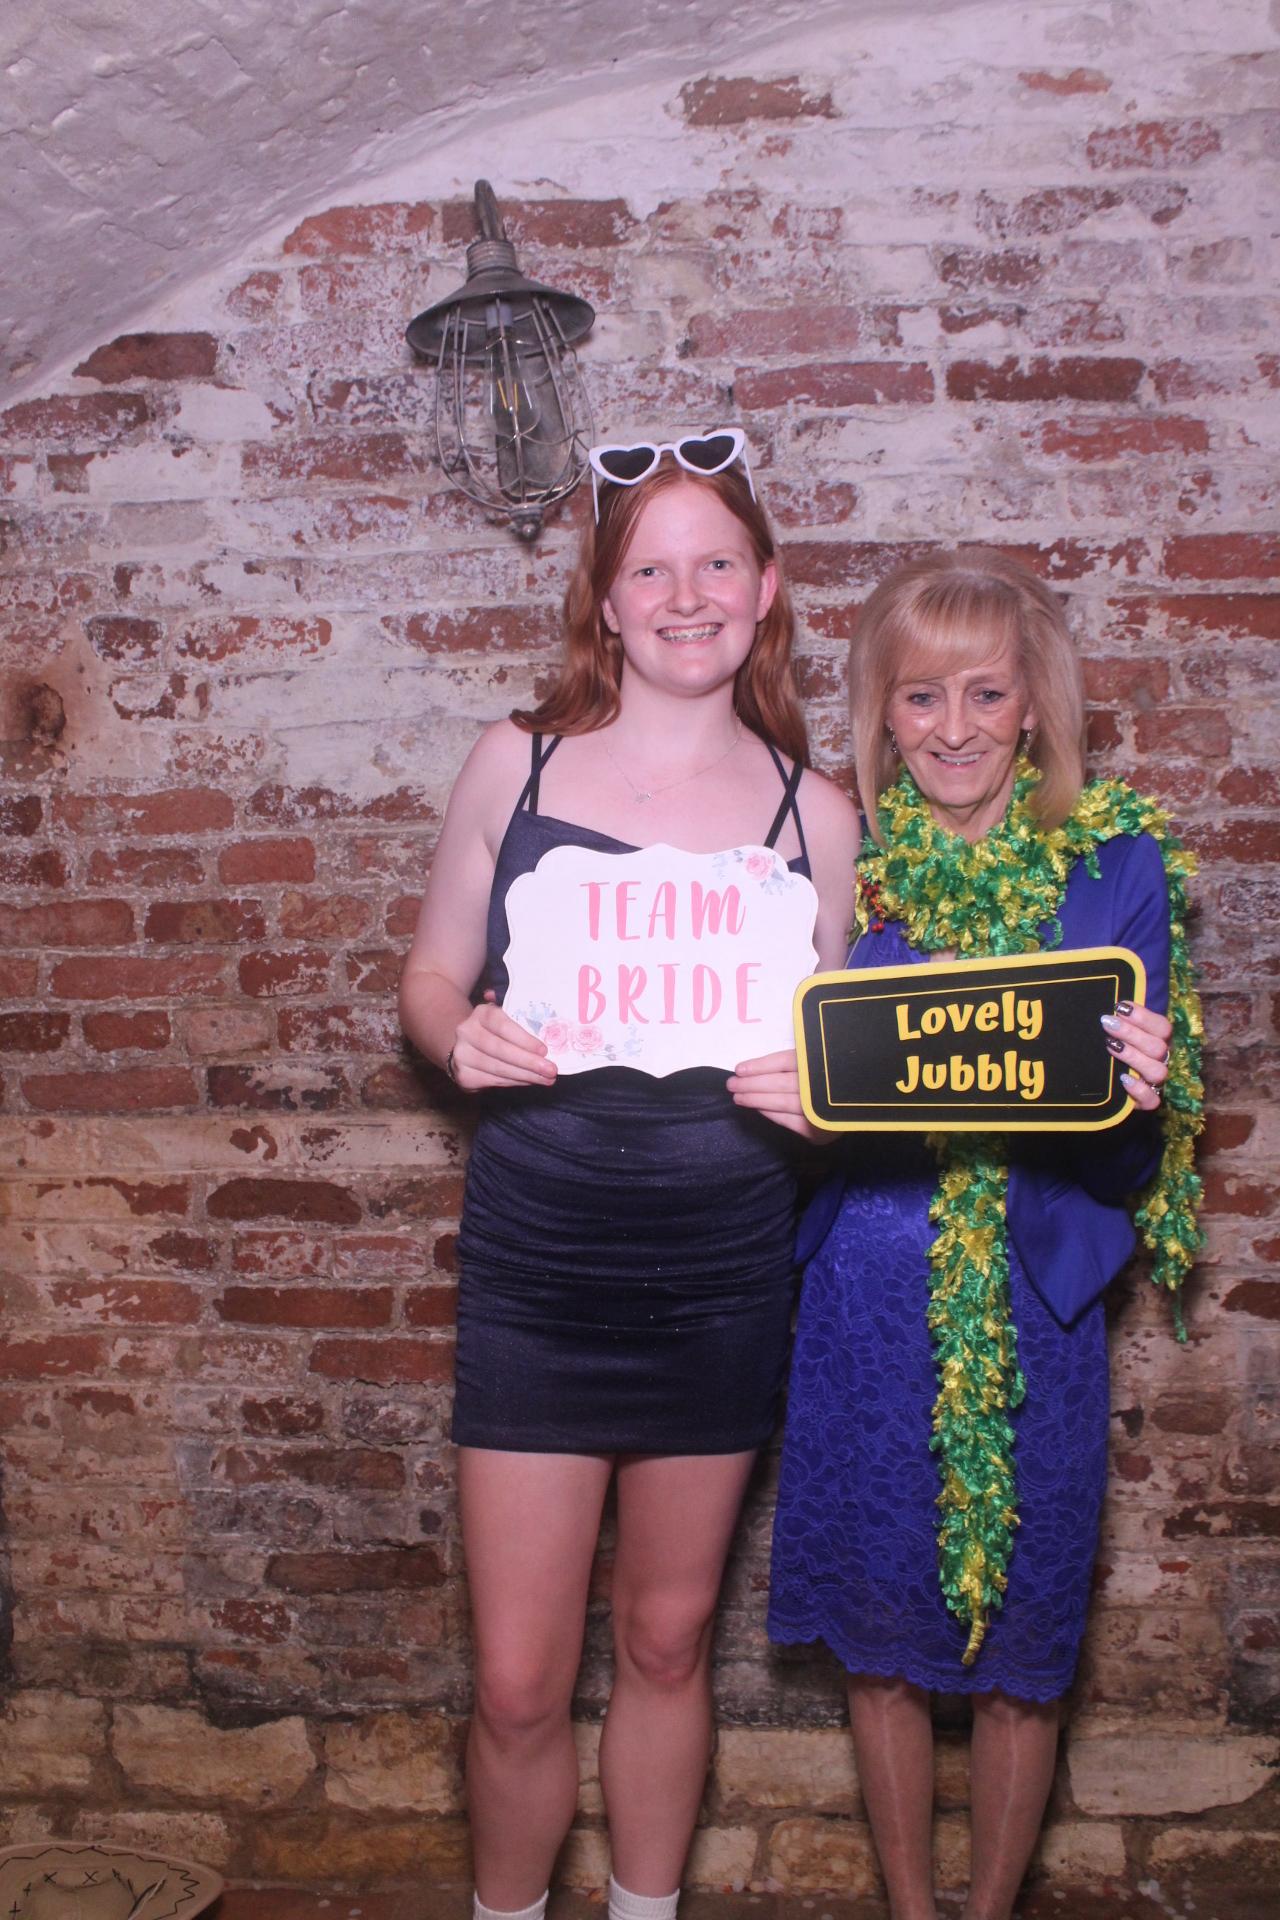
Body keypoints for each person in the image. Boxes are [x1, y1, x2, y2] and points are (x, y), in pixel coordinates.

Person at [398, 430, 860, 1920]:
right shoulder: (512, 761)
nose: (684, 593)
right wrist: (452, 1035)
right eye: (648, 565)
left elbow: (843, 1051)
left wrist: (825, 1096)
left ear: (766, 590)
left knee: (668, 1645)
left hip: (723, 1272)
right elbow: (426, 972)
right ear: (603, 599)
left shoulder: (819, 816)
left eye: (716, 561)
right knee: (523, 1681)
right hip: (539, 1263)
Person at [765, 548, 1203, 1920]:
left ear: (1034, 708)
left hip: (1034, 1304)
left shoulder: (1117, 869)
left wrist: (1146, 1089)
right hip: (862, 1299)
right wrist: (776, 1096)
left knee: (1023, 1638)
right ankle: (909, 1908)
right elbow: (803, 1090)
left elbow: (1127, 1157)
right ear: (879, 718)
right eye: (918, 698)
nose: (953, 727)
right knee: (884, 1641)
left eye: (985, 693)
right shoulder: (848, 867)